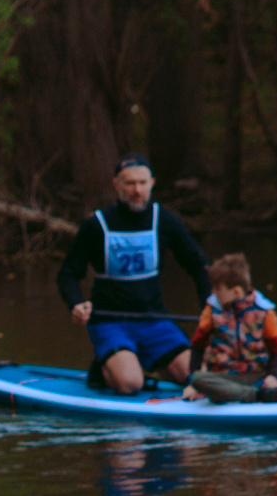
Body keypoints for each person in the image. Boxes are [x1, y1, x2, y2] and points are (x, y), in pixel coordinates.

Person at [54, 155, 213, 393]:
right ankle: (103, 365)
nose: (137, 190)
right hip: (110, 322)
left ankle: (152, 363)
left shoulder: (165, 220)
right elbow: (67, 274)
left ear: (152, 183)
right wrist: (75, 303)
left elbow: (200, 267)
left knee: (199, 378)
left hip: (155, 320)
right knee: (130, 384)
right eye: (129, 183)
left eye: (142, 183)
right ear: (116, 184)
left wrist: (210, 309)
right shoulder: (97, 224)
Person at [185, 252, 277, 402]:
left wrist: (274, 376)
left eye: (218, 289)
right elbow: (197, 347)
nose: (213, 293)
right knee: (198, 378)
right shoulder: (211, 311)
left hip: (259, 377)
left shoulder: (265, 312)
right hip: (225, 379)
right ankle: (258, 395)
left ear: (236, 291)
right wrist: (191, 384)